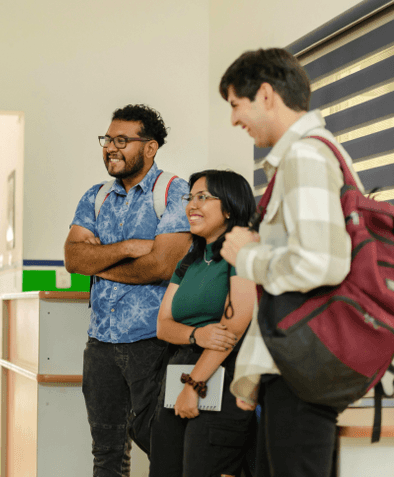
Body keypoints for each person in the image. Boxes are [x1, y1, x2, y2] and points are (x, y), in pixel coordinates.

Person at [219, 48, 365, 477]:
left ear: (265, 95)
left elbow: (318, 264)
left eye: (234, 105)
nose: (232, 120)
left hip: (303, 369)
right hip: (294, 367)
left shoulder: (305, 156)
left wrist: (246, 255)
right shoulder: (306, 155)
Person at [64, 104, 192, 476]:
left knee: (161, 447)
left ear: (150, 148)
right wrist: (128, 247)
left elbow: (160, 266)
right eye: (108, 139)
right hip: (101, 344)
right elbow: (73, 258)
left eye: (122, 140)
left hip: (152, 342)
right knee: (106, 454)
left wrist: (100, 262)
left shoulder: (174, 191)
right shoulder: (96, 196)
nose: (111, 148)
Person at [148, 170, 257, 477]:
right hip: (178, 373)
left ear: (229, 206)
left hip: (221, 376)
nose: (191, 205)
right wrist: (197, 334)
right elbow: (163, 325)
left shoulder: (243, 251)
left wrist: (194, 385)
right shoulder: (191, 260)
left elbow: (232, 330)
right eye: (190, 198)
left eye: (202, 197)